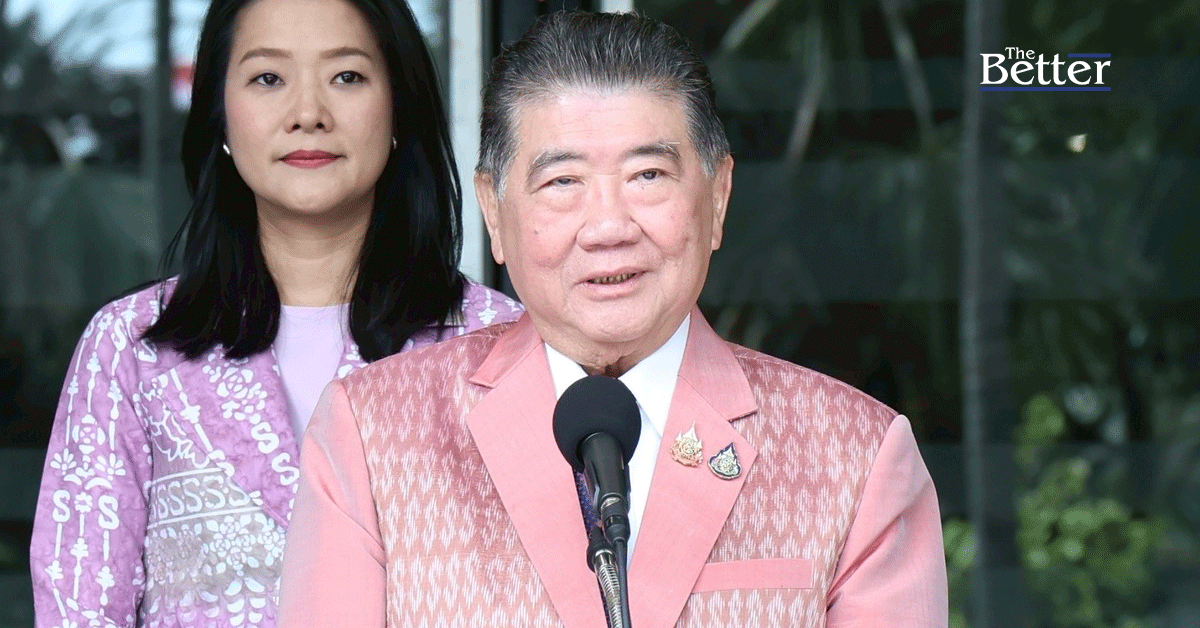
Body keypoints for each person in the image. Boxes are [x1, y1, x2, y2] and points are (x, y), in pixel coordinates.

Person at [277, 10, 946, 628]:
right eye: (562, 182)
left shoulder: (855, 456)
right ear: (495, 212)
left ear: (717, 198)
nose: (608, 227)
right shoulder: (372, 436)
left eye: (648, 175)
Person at [28, 0, 522, 625]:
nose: (308, 114)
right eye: (268, 78)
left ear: (399, 105)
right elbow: (78, 610)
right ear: (221, 113)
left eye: (347, 76)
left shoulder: (497, 344)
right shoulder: (132, 347)